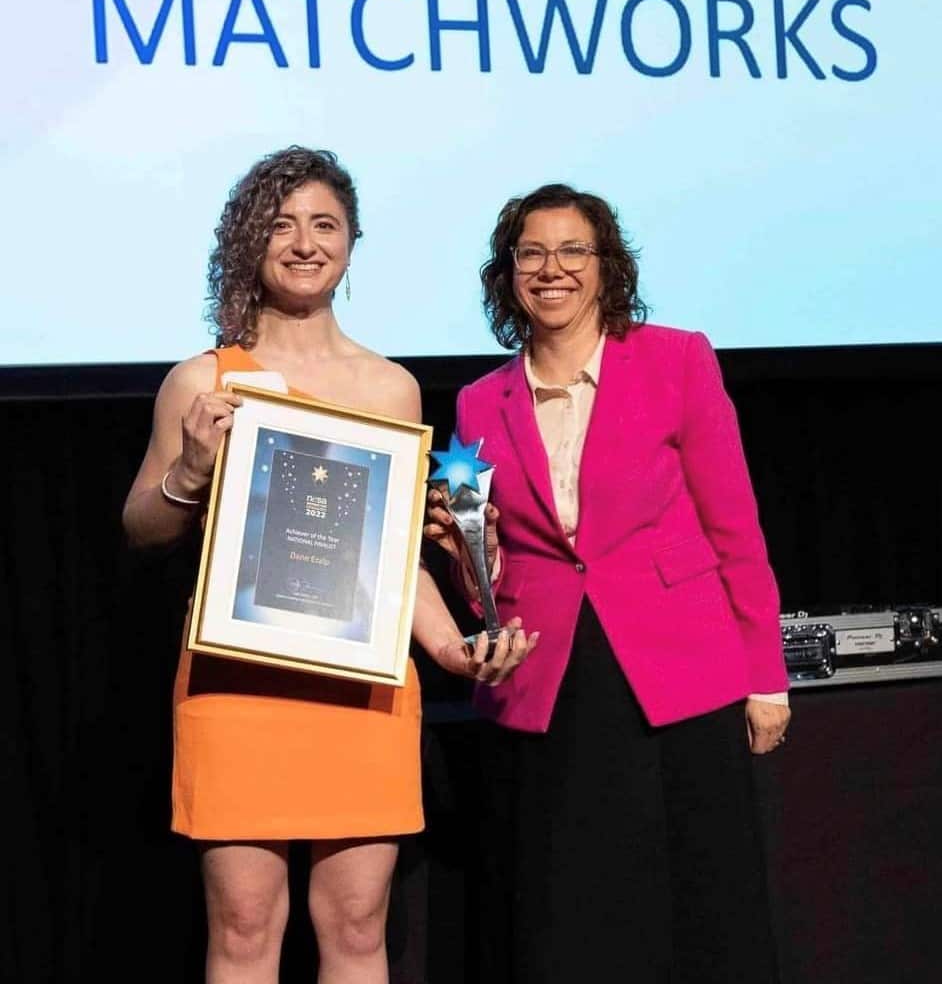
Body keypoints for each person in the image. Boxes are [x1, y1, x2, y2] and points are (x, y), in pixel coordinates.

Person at [122, 146, 536, 984]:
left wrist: (454, 650)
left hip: (362, 691)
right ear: (248, 241)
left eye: (325, 224)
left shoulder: (390, 388)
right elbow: (141, 528)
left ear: (351, 243)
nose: (305, 243)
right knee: (243, 927)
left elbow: (396, 563)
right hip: (239, 685)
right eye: (282, 224)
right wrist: (190, 473)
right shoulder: (203, 382)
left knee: (355, 926)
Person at [425, 183, 791, 983]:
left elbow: (735, 527)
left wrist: (766, 675)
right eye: (531, 252)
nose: (551, 269)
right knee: (574, 915)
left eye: (573, 250)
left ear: (606, 267)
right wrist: (464, 555)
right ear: (508, 271)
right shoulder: (480, 402)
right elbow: (488, 569)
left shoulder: (676, 359)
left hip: (680, 676)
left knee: (704, 911)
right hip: (550, 683)